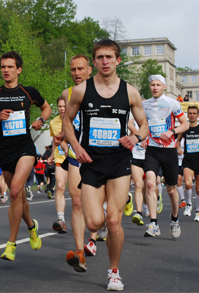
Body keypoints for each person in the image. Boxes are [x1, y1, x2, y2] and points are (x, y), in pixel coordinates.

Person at [63, 40, 148, 291]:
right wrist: (76, 147)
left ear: (118, 60)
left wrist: (135, 137)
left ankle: (113, 272)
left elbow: (144, 125)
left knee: (113, 222)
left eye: (109, 57)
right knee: (93, 224)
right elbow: (66, 121)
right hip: (91, 162)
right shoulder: (81, 91)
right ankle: (110, 202)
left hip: (119, 161)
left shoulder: (130, 92)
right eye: (100, 57)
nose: (105, 61)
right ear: (94, 62)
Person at [0, 51, 51, 261]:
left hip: (25, 149)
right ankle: (31, 226)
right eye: (3, 67)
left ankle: (10, 244)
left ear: (18, 69)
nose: (6, 70)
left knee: (16, 191)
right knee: (16, 196)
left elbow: (46, 108)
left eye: (10, 67)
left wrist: (40, 120)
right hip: (5, 151)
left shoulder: (28, 92)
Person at [57, 54, 99, 272]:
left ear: (89, 69)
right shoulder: (67, 93)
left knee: (96, 204)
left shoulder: (100, 88)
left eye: (80, 69)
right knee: (77, 201)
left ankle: (92, 238)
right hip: (76, 152)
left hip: (100, 153)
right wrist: (64, 139)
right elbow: (68, 121)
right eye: (73, 69)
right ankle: (79, 253)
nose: (76, 73)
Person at [142, 74, 189, 238]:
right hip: (152, 149)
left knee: (171, 190)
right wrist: (141, 137)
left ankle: (175, 219)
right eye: (152, 85)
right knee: (149, 183)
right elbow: (140, 124)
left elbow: (185, 124)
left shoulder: (172, 103)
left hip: (169, 150)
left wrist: (172, 132)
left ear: (163, 87)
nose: (155, 87)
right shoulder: (144, 104)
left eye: (158, 85)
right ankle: (153, 223)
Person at [176, 106, 199, 222]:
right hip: (188, 160)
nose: (192, 115)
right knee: (187, 183)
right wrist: (178, 148)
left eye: (194, 113)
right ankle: (189, 204)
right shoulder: (184, 128)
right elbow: (178, 140)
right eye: (190, 113)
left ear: (198, 115)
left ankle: (198, 211)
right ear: (187, 115)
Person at [48, 96, 69, 233]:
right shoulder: (53, 123)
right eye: (60, 106)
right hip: (60, 158)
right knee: (60, 186)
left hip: (74, 158)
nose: (62, 109)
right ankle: (61, 219)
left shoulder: (75, 119)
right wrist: (51, 154)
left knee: (79, 193)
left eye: (64, 106)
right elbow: (54, 140)